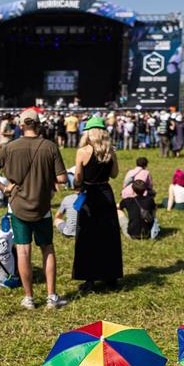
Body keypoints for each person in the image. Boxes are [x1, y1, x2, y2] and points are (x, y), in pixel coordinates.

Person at [0, 108, 68, 310]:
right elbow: (63, 178)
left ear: (21, 126)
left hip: (17, 206)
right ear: (38, 125)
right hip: (43, 207)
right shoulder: (50, 147)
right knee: (47, 249)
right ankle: (51, 297)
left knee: (23, 251)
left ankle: (29, 298)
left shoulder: (10, 147)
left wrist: (3, 188)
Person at [72, 117, 122, 292]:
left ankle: (89, 279)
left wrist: (77, 185)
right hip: (106, 194)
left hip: (89, 195)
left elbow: (78, 177)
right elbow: (115, 174)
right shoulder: (111, 151)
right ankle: (111, 277)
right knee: (109, 236)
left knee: (87, 236)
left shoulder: (83, 151)